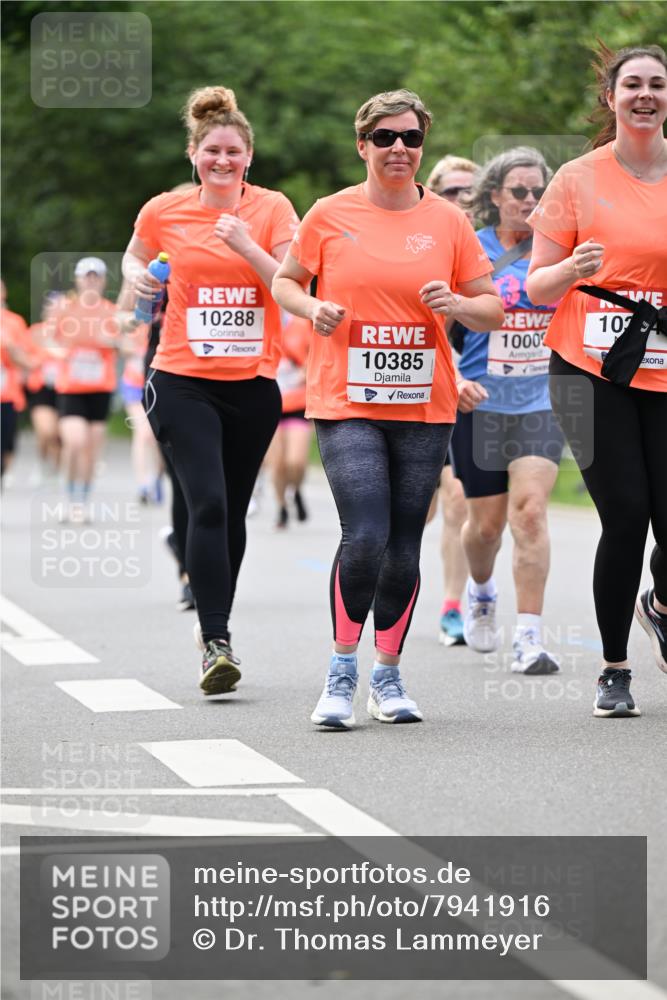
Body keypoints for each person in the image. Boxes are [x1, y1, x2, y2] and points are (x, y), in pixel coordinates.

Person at [273, 89, 503, 729]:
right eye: (384, 137)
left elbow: (492, 308)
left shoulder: (449, 223)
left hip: (424, 402)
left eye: (410, 138)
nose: (398, 148)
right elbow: (284, 281)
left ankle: (388, 675)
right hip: (345, 398)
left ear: (421, 145)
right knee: (367, 533)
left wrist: (455, 304)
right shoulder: (328, 214)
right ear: (363, 145)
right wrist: (312, 307)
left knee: (404, 543)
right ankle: (341, 672)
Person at [122, 85, 299, 695]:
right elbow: (133, 258)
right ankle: (216, 640)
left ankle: (213, 621)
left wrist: (245, 244)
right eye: (211, 151)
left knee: (233, 513)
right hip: (181, 380)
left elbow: (289, 283)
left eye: (233, 151)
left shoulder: (274, 209)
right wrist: (139, 278)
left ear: (249, 156)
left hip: (251, 386)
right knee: (209, 503)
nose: (222, 160)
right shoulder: (164, 210)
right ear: (193, 155)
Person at [526, 44, 667, 717]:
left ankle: (659, 604)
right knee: (627, 516)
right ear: (610, 99)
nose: (644, 94)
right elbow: (535, 284)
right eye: (631, 84)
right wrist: (573, 269)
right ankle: (614, 670)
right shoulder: (577, 179)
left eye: (656, 85)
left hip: (665, 359)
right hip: (589, 367)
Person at [451, 147, 565, 674]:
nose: (529, 200)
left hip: (543, 401)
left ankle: (529, 638)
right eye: (518, 191)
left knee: (531, 513)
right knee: (486, 528)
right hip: (481, 403)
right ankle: (480, 589)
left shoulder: (559, 250)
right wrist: (453, 378)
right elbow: (431, 322)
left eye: (538, 191)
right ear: (495, 195)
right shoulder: (469, 250)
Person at [425, 155, 481, 646]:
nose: (462, 201)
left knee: (459, 500)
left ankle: (451, 606)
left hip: (472, 397)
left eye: (470, 192)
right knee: (416, 507)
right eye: (451, 192)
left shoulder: (483, 256)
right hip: (424, 388)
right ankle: (383, 578)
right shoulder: (427, 249)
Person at [52, 257, 119, 519]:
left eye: (96, 277)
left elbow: (129, 343)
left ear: (102, 281)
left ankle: (82, 500)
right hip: (71, 386)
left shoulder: (111, 311)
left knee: (91, 448)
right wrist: (62, 352)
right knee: (75, 442)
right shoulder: (65, 310)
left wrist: (111, 341)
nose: (91, 281)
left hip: (100, 387)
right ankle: (67, 494)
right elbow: (48, 342)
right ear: (78, 280)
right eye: (86, 276)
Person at [265, 311, 313, 529]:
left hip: (297, 401)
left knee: (296, 462)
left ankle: (295, 489)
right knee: (277, 464)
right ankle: (282, 507)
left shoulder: (303, 322)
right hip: (270, 402)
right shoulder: (264, 317)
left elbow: (316, 354)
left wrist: (305, 371)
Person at [24, 293, 63, 485]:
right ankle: (41, 463)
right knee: (46, 431)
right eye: (53, 307)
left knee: (59, 434)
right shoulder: (35, 332)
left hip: (65, 388)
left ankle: (57, 470)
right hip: (41, 387)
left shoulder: (71, 332)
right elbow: (24, 359)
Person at [1, 280, 33, 483]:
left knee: (6, 446)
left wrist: (10, 348)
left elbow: (27, 360)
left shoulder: (14, 322)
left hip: (7, 395)